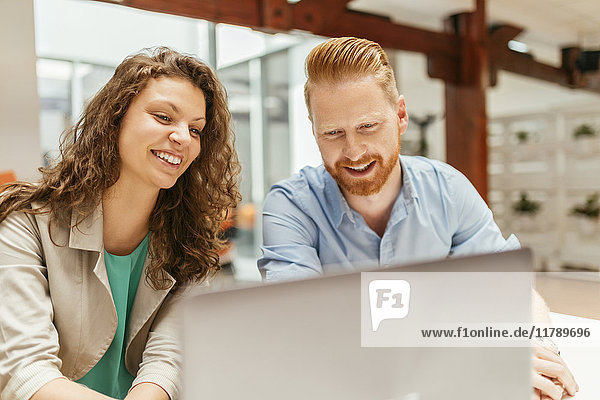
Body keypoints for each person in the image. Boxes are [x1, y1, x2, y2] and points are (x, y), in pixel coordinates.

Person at [258, 37, 577, 400]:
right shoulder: (290, 206)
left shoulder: (449, 190)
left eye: (368, 126)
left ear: (401, 116)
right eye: (333, 133)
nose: (353, 151)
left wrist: (538, 353)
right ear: (315, 132)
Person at [0, 47, 240, 400]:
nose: (183, 138)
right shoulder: (26, 222)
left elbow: (167, 362)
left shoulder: (191, 239)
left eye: (195, 129)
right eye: (163, 117)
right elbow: (26, 371)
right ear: (115, 118)